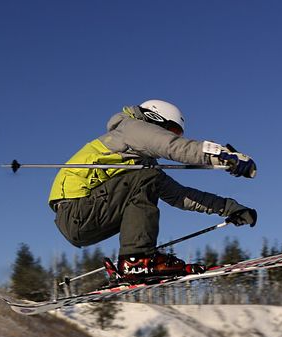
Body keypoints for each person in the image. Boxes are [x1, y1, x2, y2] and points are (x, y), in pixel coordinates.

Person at [49, 100, 259, 279]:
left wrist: (229, 208)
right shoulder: (131, 129)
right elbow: (172, 146)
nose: (171, 135)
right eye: (171, 130)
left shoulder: (140, 169)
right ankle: (136, 260)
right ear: (154, 120)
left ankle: (139, 259)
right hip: (76, 210)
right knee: (148, 177)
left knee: (151, 178)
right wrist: (222, 155)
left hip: (87, 218)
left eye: (176, 132)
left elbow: (180, 196)